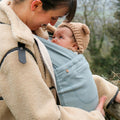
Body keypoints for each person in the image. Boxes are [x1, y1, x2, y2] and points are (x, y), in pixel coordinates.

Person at [0, 0, 107, 119]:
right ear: (35, 5)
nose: (51, 24)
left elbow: (58, 72)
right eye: (53, 17)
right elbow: (42, 116)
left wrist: (108, 91)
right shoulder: (15, 50)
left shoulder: (28, 27)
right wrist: (94, 117)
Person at [37, 22, 120, 111]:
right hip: (73, 107)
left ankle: (115, 94)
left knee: (96, 79)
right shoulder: (55, 53)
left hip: (82, 103)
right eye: (53, 37)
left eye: (60, 37)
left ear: (74, 46)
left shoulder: (72, 60)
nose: (53, 40)